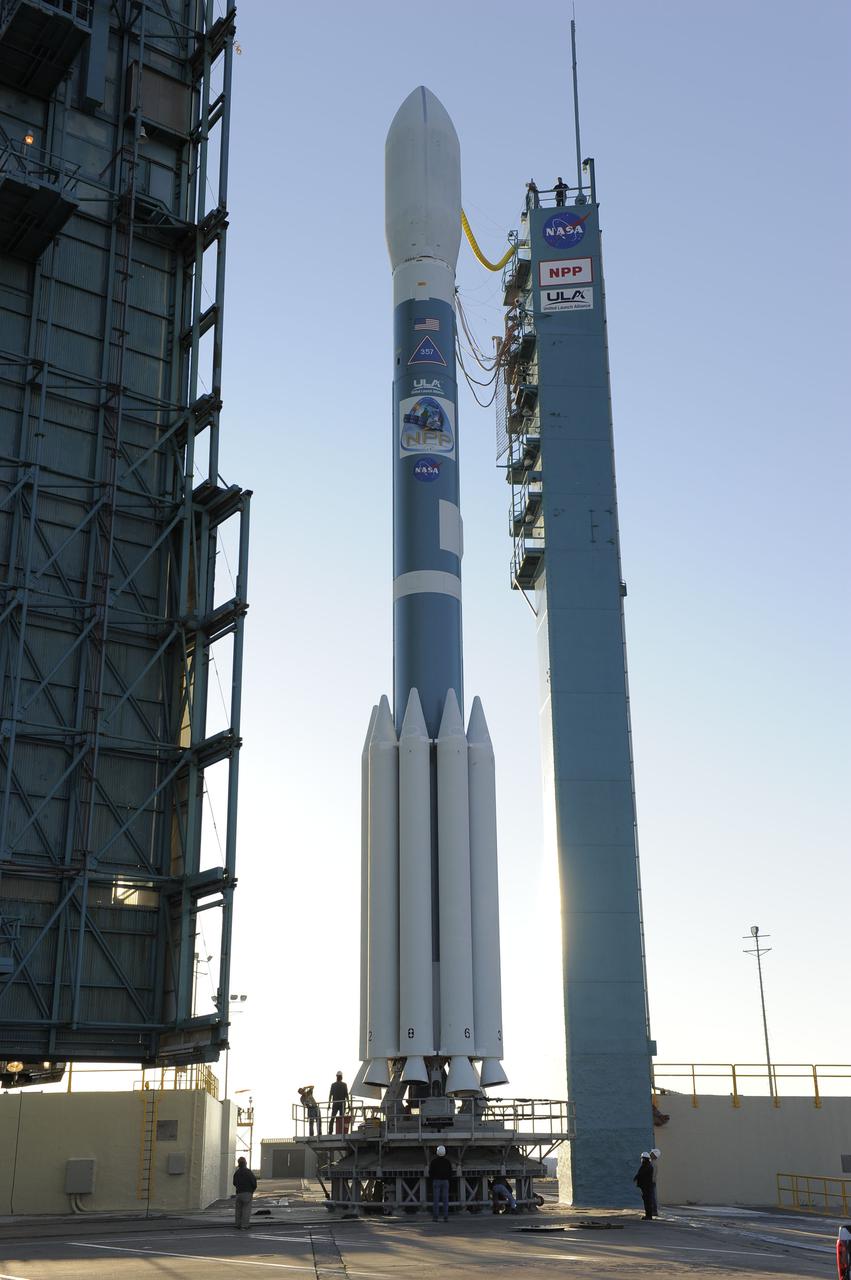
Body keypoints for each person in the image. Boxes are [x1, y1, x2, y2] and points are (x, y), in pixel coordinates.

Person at [428, 1144, 452, 1222]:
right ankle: (446, 1217)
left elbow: (430, 1172)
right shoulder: (447, 1162)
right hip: (445, 1181)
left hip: (436, 1181)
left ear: (437, 1152)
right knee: (445, 1200)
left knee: (436, 1200)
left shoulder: (434, 1161)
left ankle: (435, 1217)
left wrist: (433, 1179)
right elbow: (450, 1172)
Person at [232, 1155, 257, 1230]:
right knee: (246, 1209)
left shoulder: (237, 1173)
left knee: (238, 1209)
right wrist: (252, 1191)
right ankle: (244, 1225)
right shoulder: (248, 1172)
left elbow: (234, 1183)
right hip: (247, 1193)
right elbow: (254, 1183)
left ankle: (237, 1224)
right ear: (245, 1163)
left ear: (238, 1163)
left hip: (239, 1193)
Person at [633, 1152, 655, 1220]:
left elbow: (641, 1174)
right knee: (647, 1201)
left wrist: (636, 1177)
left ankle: (648, 1216)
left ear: (645, 1159)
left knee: (647, 1202)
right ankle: (648, 1215)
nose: (641, 1160)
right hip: (645, 1187)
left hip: (646, 1187)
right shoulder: (647, 1165)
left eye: (642, 1158)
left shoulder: (647, 1166)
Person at [649, 1147, 661, 1215]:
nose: (650, 1153)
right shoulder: (652, 1163)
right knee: (651, 1196)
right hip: (652, 1182)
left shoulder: (653, 1164)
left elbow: (652, 1174)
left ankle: (654, 1211)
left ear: (654, 1155)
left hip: (651, 1182)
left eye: (652, 1152)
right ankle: (653, 1210)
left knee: (651, 1196)